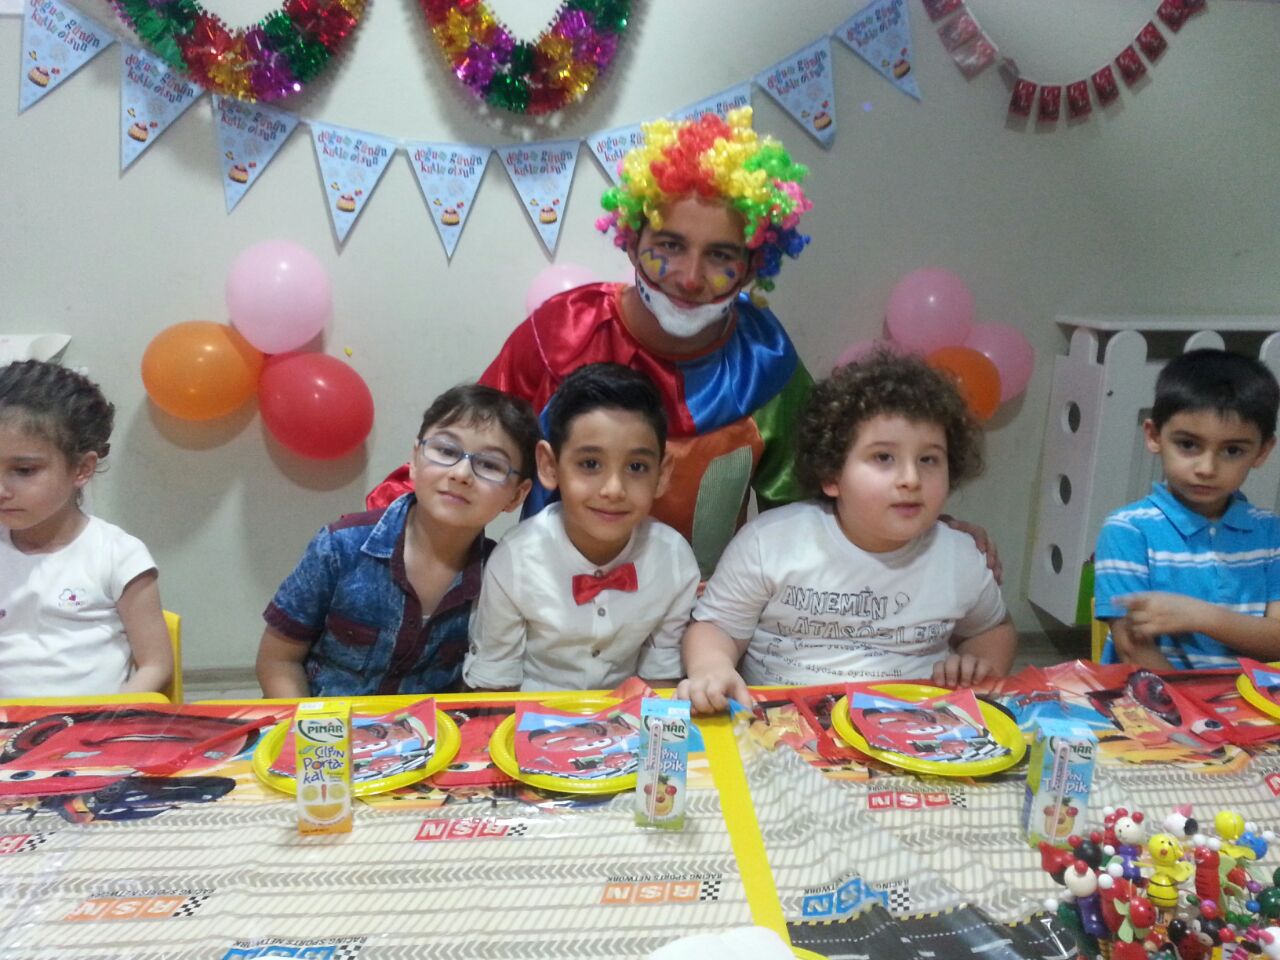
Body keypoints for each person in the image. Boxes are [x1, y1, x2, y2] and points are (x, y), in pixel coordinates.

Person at [370, 108, 815, 577]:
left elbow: (800, 519)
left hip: (700, 610)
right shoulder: (565, 333)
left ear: (753, 265)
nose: (689, 278)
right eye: (669, 246)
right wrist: (368, 546)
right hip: (549, 598)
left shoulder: (765, 361)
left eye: (720, 255)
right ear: (632, 241)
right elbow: (471, 453)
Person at [678, 351, 1017, 713]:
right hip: (784, 723)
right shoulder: (769, 543)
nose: (911, 479)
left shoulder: (961, 557)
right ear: (832, 474)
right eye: (883, 457)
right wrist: (712, 668)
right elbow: (716, 628)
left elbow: (992, 629)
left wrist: (980, 664)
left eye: (929, 459)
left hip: (912, 724)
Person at [256, 384, 538, 697]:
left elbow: (486, 687)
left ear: (517, 495)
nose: (461, 473)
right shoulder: (340, 546)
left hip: (432, 728)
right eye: (446, 451)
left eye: (490, 465)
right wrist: (309, 726)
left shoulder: (502, 576)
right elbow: (279, 660)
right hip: (325, 723)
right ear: (414, 459)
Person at [463, 363, 699, 692]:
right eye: (590, 464)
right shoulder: (516, 560)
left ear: (662, 473)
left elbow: (660, 678)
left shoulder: (673, 559)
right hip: (530, 714)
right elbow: (495, 683)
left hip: (627, 716)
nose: (613, 489)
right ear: (549, 465)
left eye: (636, 467)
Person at [1094, 348, 1280, 670]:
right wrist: (1190, 704)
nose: (1206, 468)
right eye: (1188, 445)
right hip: (1158, 697)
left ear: (1262, 451)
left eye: (1232, 450)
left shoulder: (1271, 532)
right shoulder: (1128, 530)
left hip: (1249, 697)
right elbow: (1133, 649)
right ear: (1154, 436)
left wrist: (1200, 616)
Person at [0, 359, 171, 696]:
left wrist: (111, 715)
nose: (2, 489)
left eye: (24, 470)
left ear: (81, 469)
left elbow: (156, 665)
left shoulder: (118, 556)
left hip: (93, 726)